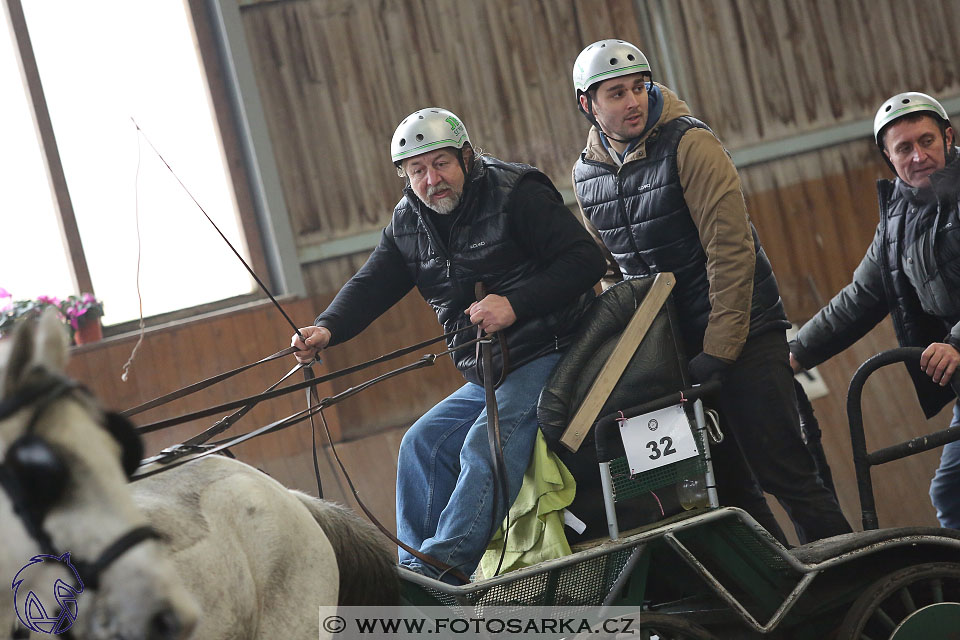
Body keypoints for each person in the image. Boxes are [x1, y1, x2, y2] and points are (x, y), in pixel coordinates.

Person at [291, 108, 606, 581]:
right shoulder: (408, 221)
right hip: (492, 369)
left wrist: (515, 304)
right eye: (417, 170)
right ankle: (413, 575)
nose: (431, 179)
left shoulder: (516, 192)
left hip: (560, 349)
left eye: (441, 164)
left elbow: (586, 260)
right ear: (405, 176)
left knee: (486, 442)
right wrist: (326, 329)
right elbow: (373, 281)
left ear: (465, 157)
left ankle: (443, 569)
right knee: (422, 442)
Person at [570, 39, 851, 543]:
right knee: (722, 494)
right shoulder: (586, 176)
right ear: (587, 105)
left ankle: (868, 607)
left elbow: (731, 251)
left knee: (788, 477)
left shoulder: (690, 144)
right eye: (616, 93)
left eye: (639, 87)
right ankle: (782, 605)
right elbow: (611, 275)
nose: (632, 100)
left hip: (744, 334)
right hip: (675, 355)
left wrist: (719, 351)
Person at [790, 92, 960, 529]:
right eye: (904, 148)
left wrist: (956, 341)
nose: (918, 156)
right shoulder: (897, 221)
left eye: (927, 141)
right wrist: (794, 354)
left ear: (948, 136)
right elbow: (861, 297)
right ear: (887, 155)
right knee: (952, 493)